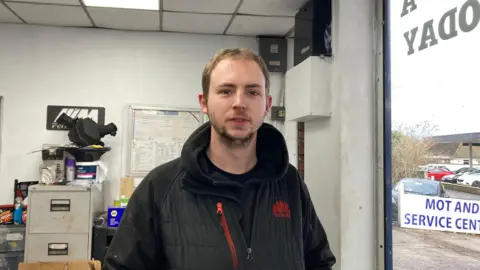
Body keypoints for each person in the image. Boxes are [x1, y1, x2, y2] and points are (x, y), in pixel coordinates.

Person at [103, 48, 336, 270]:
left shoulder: (289, 183)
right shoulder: (161, 187)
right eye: (226, 91)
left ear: (267, 105)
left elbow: (319, 261)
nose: (239, 103)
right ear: (204, 102)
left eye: (253, 92)